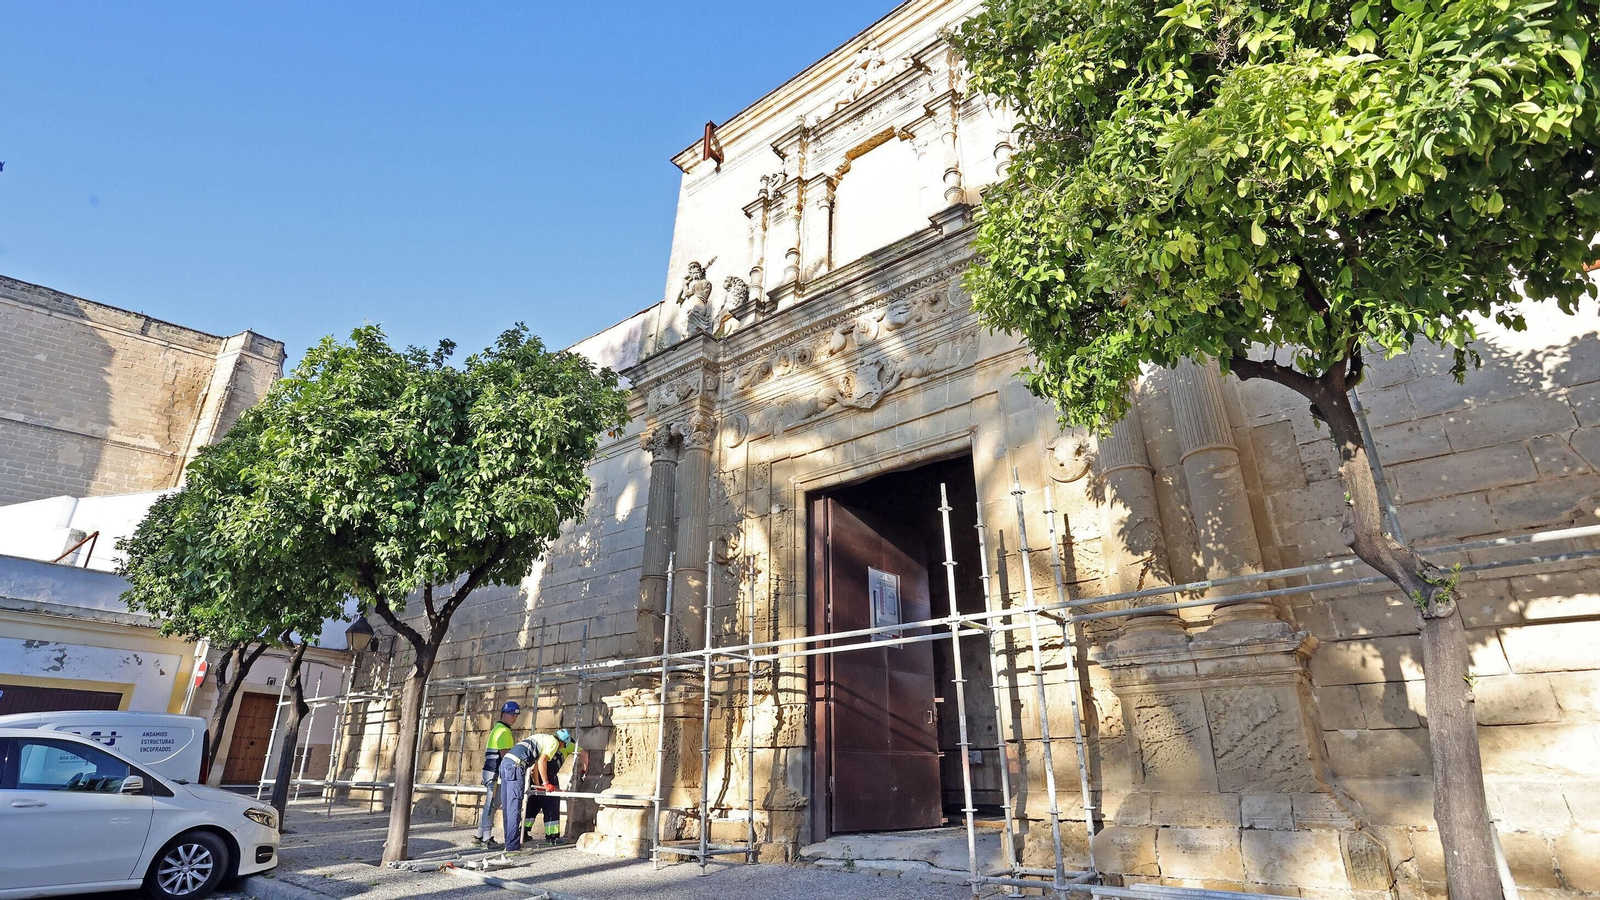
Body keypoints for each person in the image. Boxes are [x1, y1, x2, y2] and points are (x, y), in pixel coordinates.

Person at [500, 727, 587, 849]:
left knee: (511, 805)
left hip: (506, 763)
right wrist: (546, 783)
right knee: (517, 806)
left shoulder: (542, 739)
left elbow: (536, 765)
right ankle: (551, 838)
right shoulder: (554, 742)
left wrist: (538, 784)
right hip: (520, 767)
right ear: (563, 742)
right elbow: (542, 762)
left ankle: (515, 838)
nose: (560, 748)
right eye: (562, 746)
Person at [473, 701, 520, 848]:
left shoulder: (498, 728)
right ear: (504, 714)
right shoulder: (504, 731)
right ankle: (486, 839)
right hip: (494, 773)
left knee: (491, 804)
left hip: (490, 771)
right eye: (512, 714)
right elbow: (505, 756)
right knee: (492, 804)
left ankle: (479, 834)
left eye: (516, 715)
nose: (514, 718)